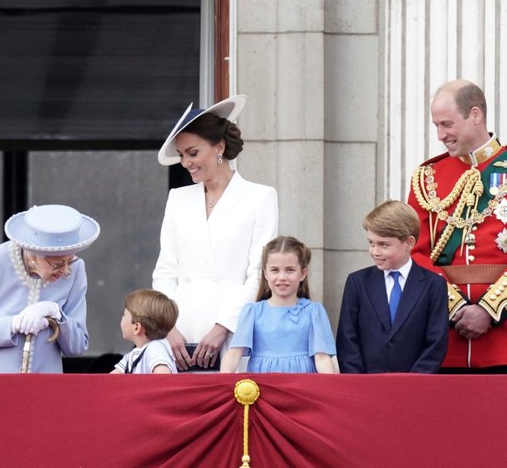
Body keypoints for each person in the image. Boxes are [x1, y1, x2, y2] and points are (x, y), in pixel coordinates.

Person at [407, 79, 507, 373]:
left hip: (503, 337)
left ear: (475, 115)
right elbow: (414, 251)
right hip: (443, 335)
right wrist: (456, 308)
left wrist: (489, 310)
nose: (440, 135)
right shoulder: (427, 178)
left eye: (447, 124)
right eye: (436, 125)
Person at [152, 95, 279, 371]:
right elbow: (165, 271)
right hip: (180, 332)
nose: (185, 162)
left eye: (193, 153)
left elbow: (259, 271)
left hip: (235, 330)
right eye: (182, 155)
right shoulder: (178, 198)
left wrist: (224, 326)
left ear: (219, 146)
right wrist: (168, 328)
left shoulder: (260, 197)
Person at [0, 204, 98, 373]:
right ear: (34, 254)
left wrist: (57, 315)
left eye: (70, 260)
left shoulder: (77, 269)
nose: (66, 270)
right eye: (58, 264)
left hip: (43, 390)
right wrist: (12, 325)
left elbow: (78, 345)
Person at [336, 200, 449, 373]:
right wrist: (358, 382)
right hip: (365, 387)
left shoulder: (434, 285)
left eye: (383, 244)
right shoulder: (357, 282)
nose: (375, 251)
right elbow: (347, 339)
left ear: (409, 243)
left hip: (414, 389)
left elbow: (436, 343)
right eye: (371, 243)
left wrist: (411, 383)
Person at [221, 236, 336, 373]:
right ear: (265, 273)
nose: (282, 277)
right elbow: (234, 354)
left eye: (290, 270)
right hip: (261, 386)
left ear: (303, 273)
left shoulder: (314, 311)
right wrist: (224, 384)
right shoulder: (252, 312)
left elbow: (322, 358)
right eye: (275, 270)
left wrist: (330, 389)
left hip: (302, 385)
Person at [111, 288, 178, 374]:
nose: (122, 318)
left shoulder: (155, 348)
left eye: (124, 315)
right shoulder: (132, 355)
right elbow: (110, 379)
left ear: (136, 327)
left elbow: (163, 376)